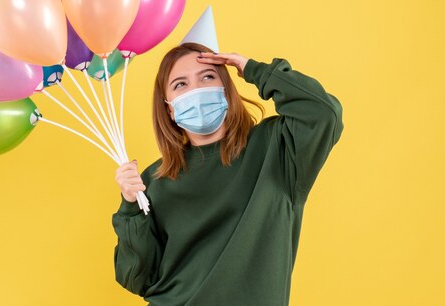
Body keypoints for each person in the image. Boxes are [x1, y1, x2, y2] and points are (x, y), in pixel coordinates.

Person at [112, 42, 344, 306]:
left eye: (207, 77)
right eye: (180, 85)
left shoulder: (276, 147)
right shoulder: (154, 179)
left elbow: (324, 114)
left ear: (225, 88)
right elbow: (137, 278)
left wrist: (253, 70)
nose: (196, 90)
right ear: (169, 108)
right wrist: (130, 207)